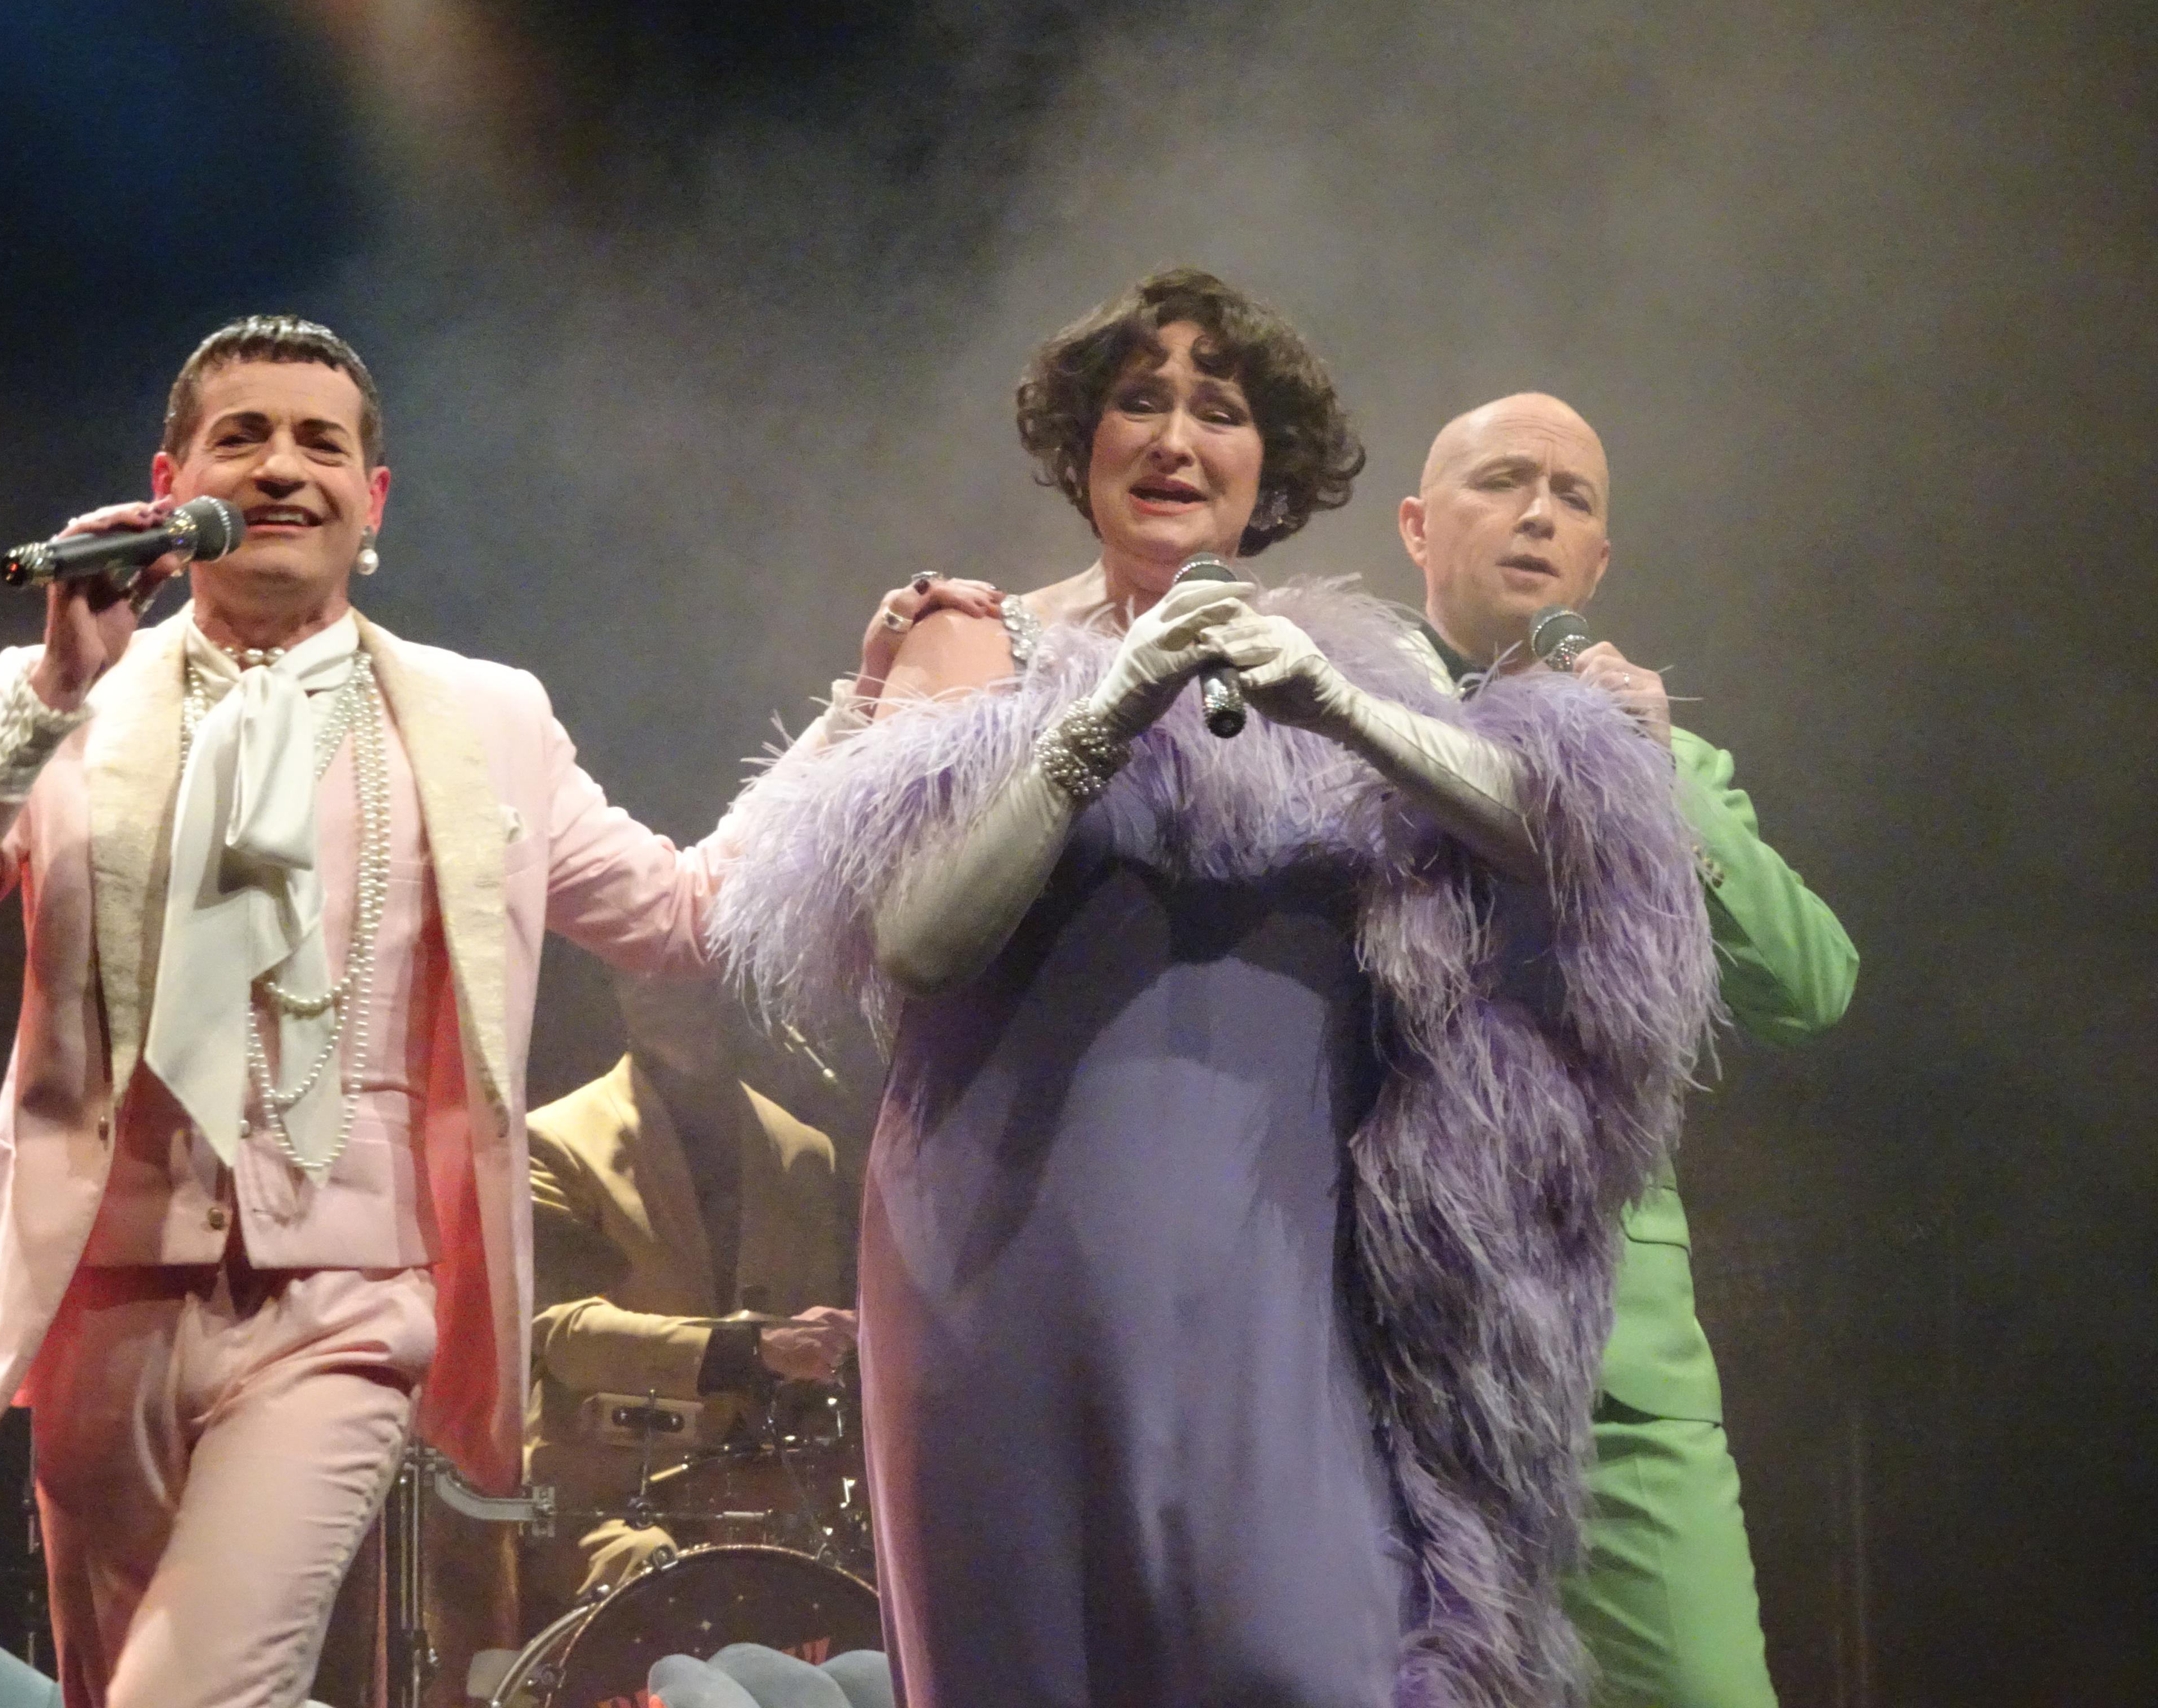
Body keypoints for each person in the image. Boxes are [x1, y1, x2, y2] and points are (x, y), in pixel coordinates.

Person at [0, 314, 964, 1708]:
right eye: (243, 436)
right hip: (104, 1296)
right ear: (170, 483)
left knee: (187, 1690)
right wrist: (54, 691)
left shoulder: (484, 717)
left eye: (321, 443)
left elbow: (687, 912)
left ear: (371, 502)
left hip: (348, 1300)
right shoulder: (67, 701)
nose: (282, 466)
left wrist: (859, 718)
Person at [710, 270, 1722, 1708]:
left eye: (1219, 410)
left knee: (1313, 1652)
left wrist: (1340, 708)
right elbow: (921, 945)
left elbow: (1569, 839)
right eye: (1139, 401)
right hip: (1005, 1249)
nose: (1175, 438)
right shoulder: (975, 641)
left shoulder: (1357, 657)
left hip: (1280, 1258)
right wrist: (1108, 710)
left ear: (1272, 462)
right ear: (1082, 444)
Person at [1394, 394, 1858, 1707]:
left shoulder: (1674, 759)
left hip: (1616, 1370)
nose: (1538, 513)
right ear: (1418, 527)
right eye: (1503, 480)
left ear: (1597, 563)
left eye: (1573, 497)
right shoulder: (1320, 724)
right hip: (1377, 1348)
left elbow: (1811, 984)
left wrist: (1652, 783)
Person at [525, 970, 856, 1606]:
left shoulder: (806, 1151)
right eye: (639, 970)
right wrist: (748, 1350)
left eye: (686, 971)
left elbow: (812, 1345)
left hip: (771, 1505)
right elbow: (558, 1333)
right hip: (607, 1505)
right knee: (655, 1580)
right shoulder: (554, 1138)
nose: (659, 986)